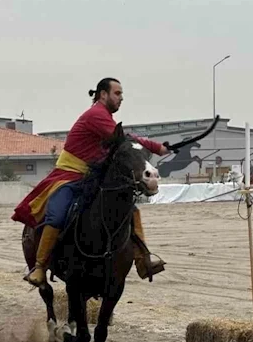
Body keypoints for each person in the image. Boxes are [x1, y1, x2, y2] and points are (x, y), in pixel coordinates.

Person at [12, 78, 169, 287]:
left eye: (121, 94)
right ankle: (40, 266)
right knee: (57, 213)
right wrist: (157, 147)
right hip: (68, 175)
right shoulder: (96, 115)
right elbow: (124, 140)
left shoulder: (105, 118)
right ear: (103, 95)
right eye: (117, 93)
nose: (121, 98)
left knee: (131, 210)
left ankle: (142, 260)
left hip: (92, 177)